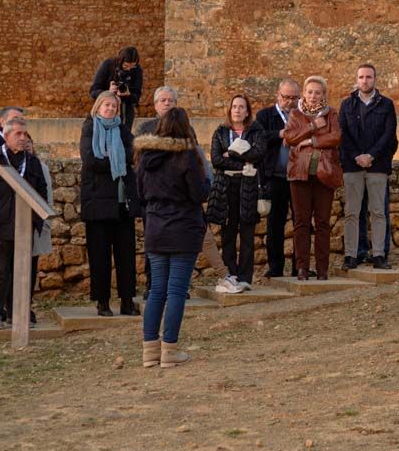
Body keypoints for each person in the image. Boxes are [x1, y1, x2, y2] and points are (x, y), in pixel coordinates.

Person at [136, 106, 209, 367]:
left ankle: (149, 351)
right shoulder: (187, 156)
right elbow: (199, 193)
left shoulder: (146, 157)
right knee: (176, 290)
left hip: (156, 227)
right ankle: (169, 350)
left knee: (157, 290)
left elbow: (140, 193)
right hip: (183, 228)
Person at [0, 115, 53, 330]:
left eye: (25, 134)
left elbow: (41, 192)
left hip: (26, 228)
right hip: (0, 228)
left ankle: (18, 311)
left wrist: (36, 222)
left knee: (24, 272)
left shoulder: (33, 163)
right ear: (7, 136)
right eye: (18, 134)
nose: (23, 138)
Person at [79, 92, 139, 316]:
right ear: (98, 106)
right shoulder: (89, 128)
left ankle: (127, 301)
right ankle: (102, 302)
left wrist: (114, 157)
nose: (111, 109)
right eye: (107, 105)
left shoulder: (122, 130)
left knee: (126, 255)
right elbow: (90, 160)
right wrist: (117, 159)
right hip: (97, 203)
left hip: (122, 202)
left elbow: (134, 153)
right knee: (99, 256)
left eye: (114, 106)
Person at [282, 76, 343, 280]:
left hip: (324, 174)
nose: (313, 96)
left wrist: (311, 141)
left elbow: (336, 137)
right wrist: (312, 126)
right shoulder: (295, 114)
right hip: (299, 174)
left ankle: (322, 269)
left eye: (317, 92)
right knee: (301, 223)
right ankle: (302, 268)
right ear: (304, 94)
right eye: (309, 92)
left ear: (323, 94)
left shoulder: (331, 113)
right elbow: (289, 137)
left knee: (323, 223)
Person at [339, 64, 398, 271]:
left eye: (369, 77)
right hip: (352, 165)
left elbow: (389, 134)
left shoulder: (386, 104)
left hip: (377, 165)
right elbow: (342, 134)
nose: (365, 80)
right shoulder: (347, 104)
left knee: (378, 212)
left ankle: (379, 255)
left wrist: (371, 155)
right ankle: (351, 255)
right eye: (361, 77)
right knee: (352, 212)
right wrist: (357, 156)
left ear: (375, 79)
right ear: (357, 79)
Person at [209, 93, 267, 292]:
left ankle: (245, 277)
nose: (237, 110)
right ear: (230, 109)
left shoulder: (256, 131)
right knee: (228, 233)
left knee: (247, 233)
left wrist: (231, 153)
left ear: (247, 111)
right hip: (226, 187)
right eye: (234, 106)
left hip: (248, 185)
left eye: (242, 107)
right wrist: (243, 159)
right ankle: (230, 275)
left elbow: (258, 154)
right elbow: (217, 159)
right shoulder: (220, 132)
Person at [252, 79, 301, 278]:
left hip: (298, 177)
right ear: (278, 95)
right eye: (286, 97)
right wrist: (280, 134)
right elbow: (258, 137)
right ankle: (275, 268)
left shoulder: (303, 115)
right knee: (275, 224)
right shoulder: (264, 115)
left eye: (294, 98)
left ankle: (300, 267)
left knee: (301, 223)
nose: (290, 101)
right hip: (275, 176)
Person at [89, 46, 144, 128]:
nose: (129, 69)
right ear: (120, 61)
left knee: (124, 135)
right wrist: (108, 92)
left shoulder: (137, 70)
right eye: (126, 66)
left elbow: (137, 96)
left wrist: (128, 95)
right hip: (105, 112)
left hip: (126, 113)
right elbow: (93, 91)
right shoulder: (108, 65)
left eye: (132, 66)